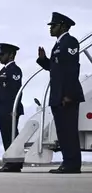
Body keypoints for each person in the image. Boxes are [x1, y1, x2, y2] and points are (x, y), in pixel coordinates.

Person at [37, 12, 85, 174]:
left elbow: (72, 69)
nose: (51, 28)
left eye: (54, 25)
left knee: (69, 131)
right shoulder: (58, 44)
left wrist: (69, 94)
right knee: (62, 131)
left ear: (63, 26)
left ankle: (72, 164)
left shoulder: (70, 42)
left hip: (66, 95)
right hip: (58, 94)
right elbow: (56, 68)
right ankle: (67, 162)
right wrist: (43, 60)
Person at [0, 43, 25, 173]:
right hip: (3, 109)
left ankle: (14, 163)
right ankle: (11, 162)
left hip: (10, 110)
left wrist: (12, 110)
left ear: (11, 55)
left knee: (11, 136)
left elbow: (16, 91)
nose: (0, 57)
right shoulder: (4, 70)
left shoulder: (15, 70)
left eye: (2, 54)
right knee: (6, 136)